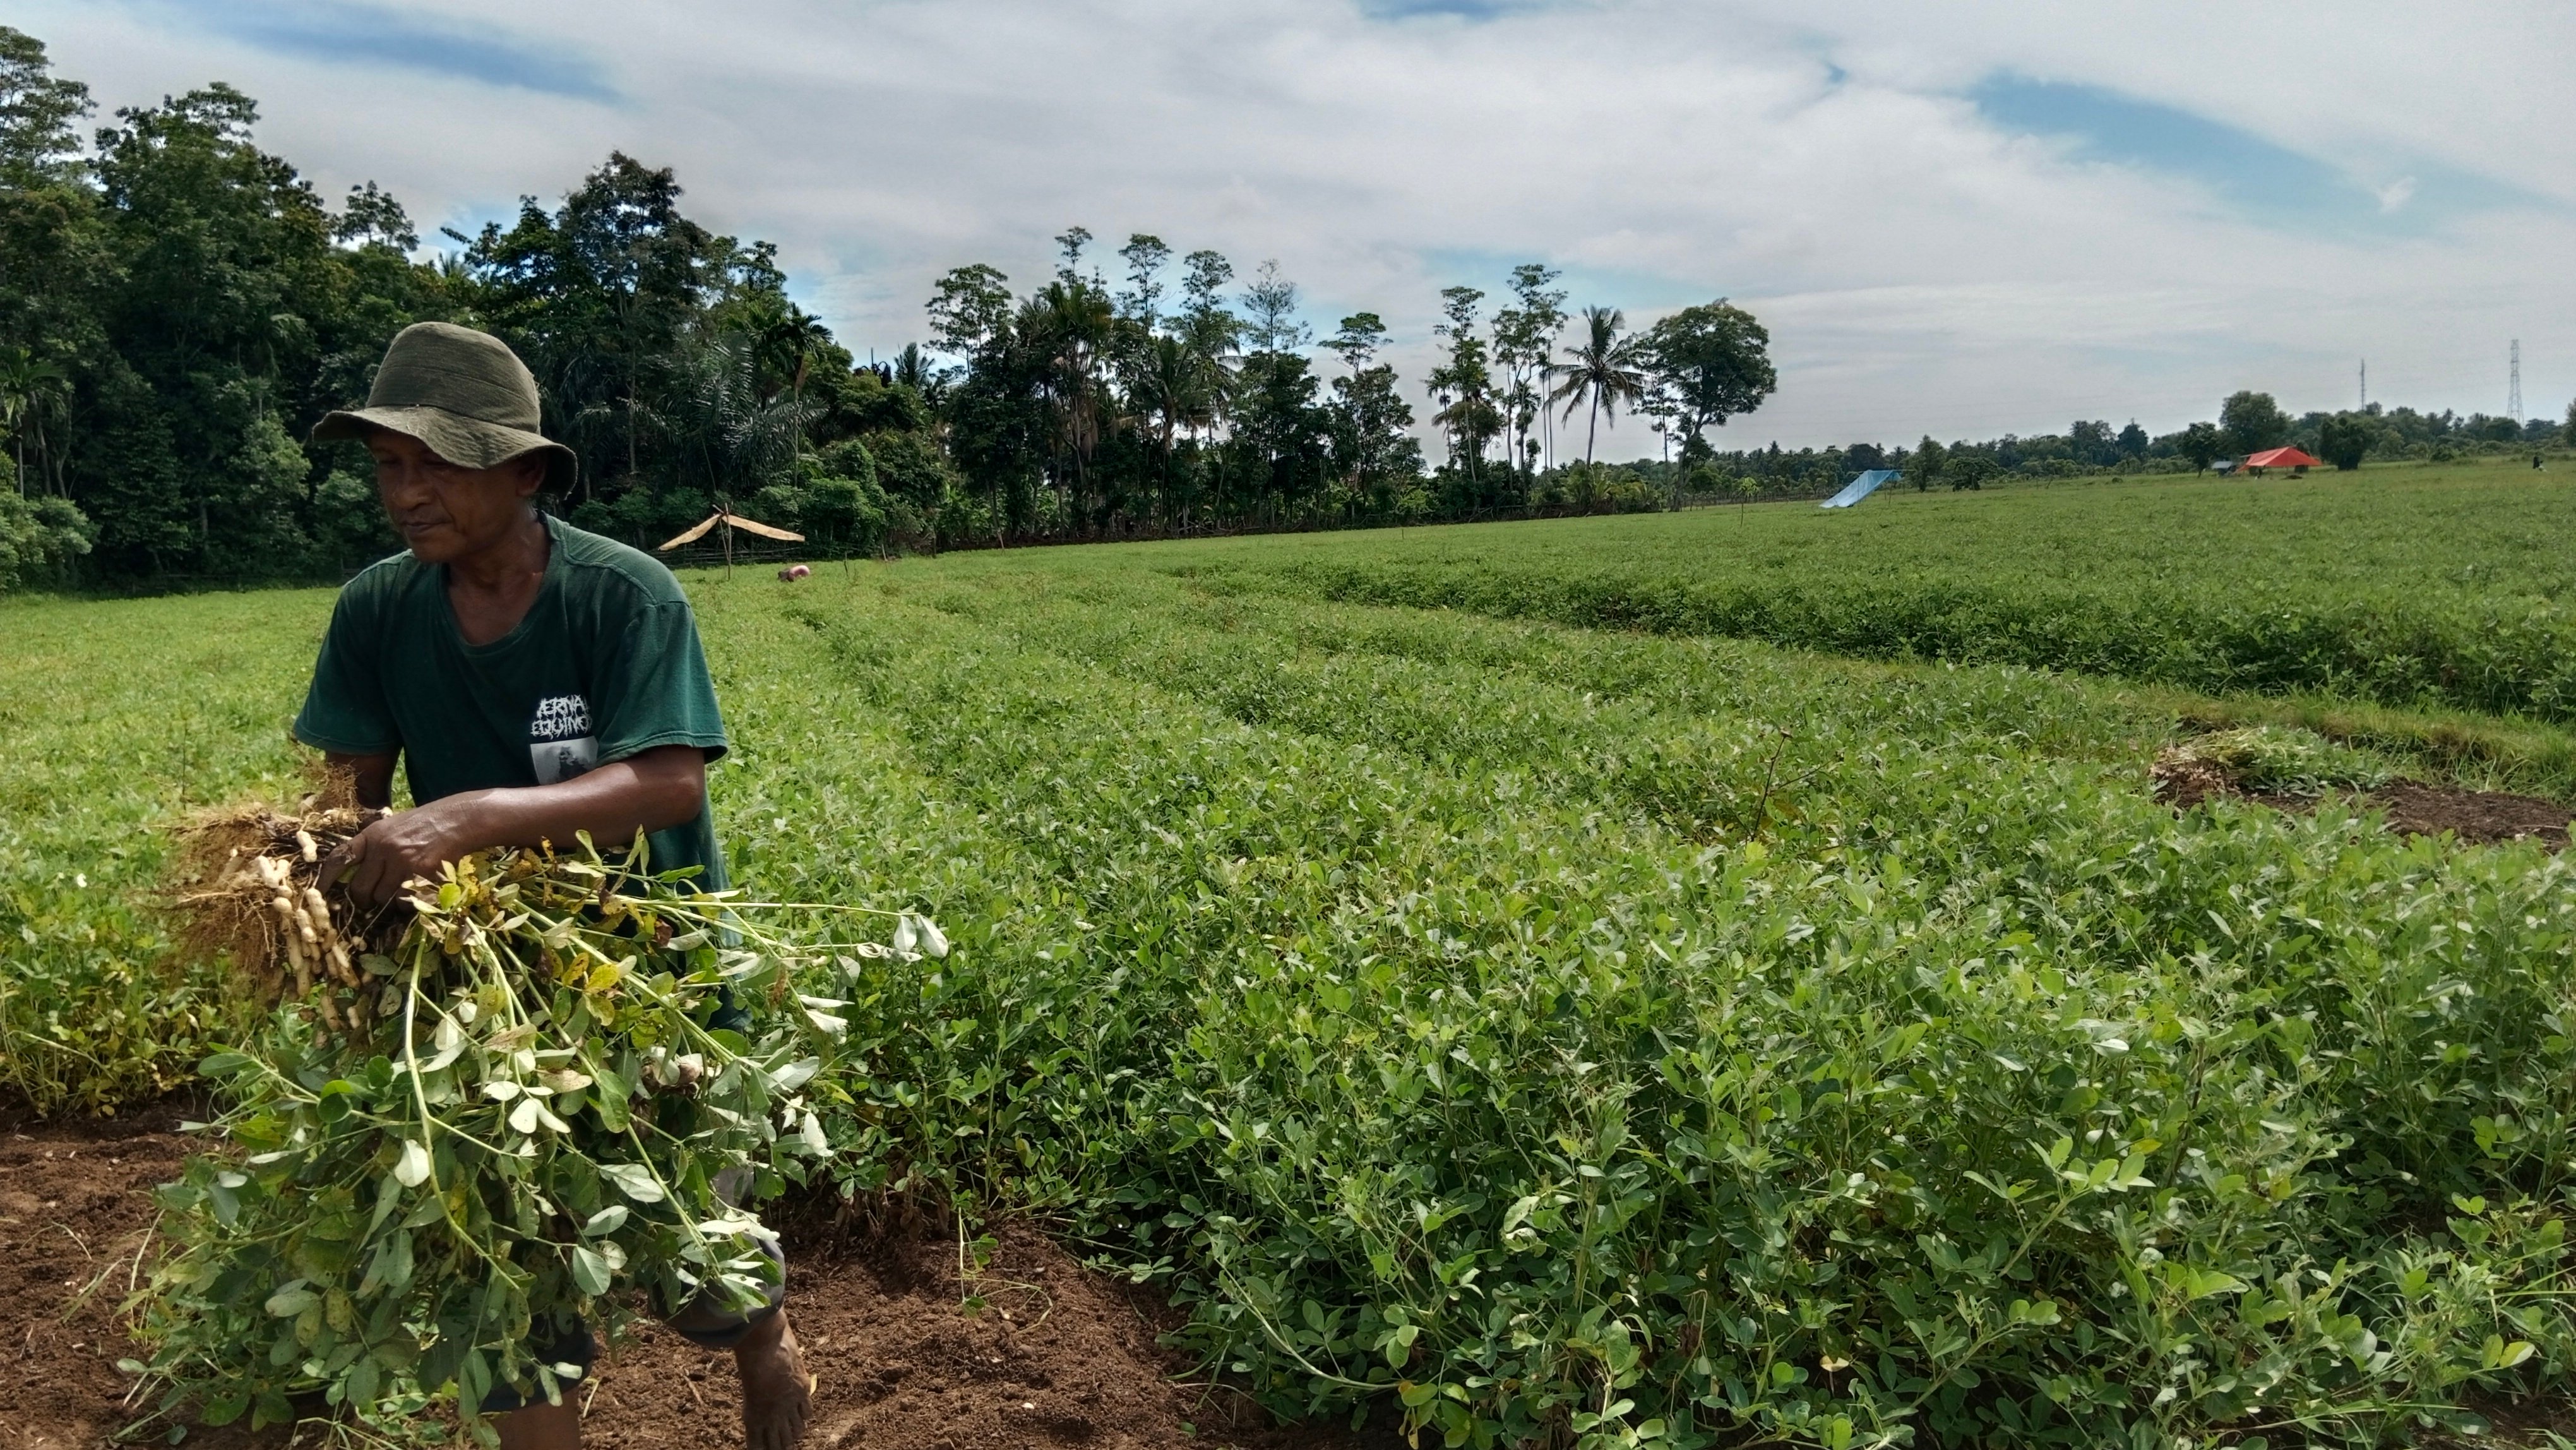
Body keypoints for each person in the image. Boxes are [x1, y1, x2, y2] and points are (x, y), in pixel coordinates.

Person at [290, 321, 813, 1450]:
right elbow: (351, 794)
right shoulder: (376, 610)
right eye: (388, 463)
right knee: (509, 1284)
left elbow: (671, 783)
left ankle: (769, 1359)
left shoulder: (623, 596)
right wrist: (330, 875)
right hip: (482, 1001)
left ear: (525, 471)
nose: (406, 491)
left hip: (651, 980)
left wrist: (467, 820)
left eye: (436, 461)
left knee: (697, 1256)